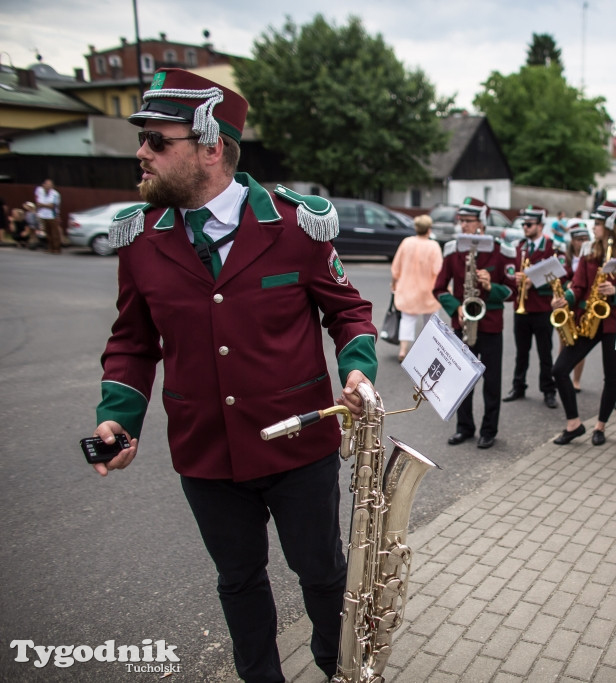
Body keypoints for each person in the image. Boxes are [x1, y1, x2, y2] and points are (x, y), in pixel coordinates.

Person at [89, 68, 379, 683]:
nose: (141, 152)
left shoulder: (296, 226)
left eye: (157, 141)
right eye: (142, 139)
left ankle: (337, 665)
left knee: (322, 571)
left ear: (211, 147)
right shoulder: (140, 240)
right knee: (238, 580)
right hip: (206, 453)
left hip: (299, 443)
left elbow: (347, 310)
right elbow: (133, 342)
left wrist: (357, 373)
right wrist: (118, 415)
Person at [550, 202, 616, 447]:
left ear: (611, 227)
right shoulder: (589, 250)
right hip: (588, 319)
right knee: (559, 370)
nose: (594, 227)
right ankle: (574, 424)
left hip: (615, 322)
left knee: (611, 377)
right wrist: (564, 300)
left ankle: (600, 426)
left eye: (598, 223)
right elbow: (578, 287)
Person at [433, 197, 516, 449]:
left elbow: (512, 291)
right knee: (461, 381)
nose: (463, 225)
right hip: (462, 325)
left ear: (481, 222)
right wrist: (455, 306)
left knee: (491, 383)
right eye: (462, 221)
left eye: (468, 221)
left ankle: (489, 430)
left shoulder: (501, 250)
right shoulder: (453, 249)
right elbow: (438, 289)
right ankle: (465, 428)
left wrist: (491, 286)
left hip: (490, 325)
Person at [504, 205, 561, 409]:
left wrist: (534, 281)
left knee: (545, 352)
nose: (525, 227)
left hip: (542, 308)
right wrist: (516, 279)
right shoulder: (519, 247)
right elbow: (509, 272)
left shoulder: (552, 248)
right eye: (524, 224)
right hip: (522, 309)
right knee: (521, 352)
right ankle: (518, 386)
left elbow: (560, 275)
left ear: (540, 225)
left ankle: (548, 389)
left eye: (529, 224)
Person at [391, 213, 443, 361]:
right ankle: (431, 351)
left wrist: (395, 281)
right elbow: (437, 270)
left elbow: (397, 266)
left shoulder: (406, 242)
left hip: (407, 288)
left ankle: (403, 350)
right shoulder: (434, 246)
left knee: (407, 319)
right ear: (429, 229)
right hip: (428, 290)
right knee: (431, 322)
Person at [564, 219, 590, 392]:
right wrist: (565, 284)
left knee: (579, 343)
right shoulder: (565, 257)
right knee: (565, 340)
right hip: (567, 304)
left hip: (581, 305)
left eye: (585, 238)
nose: (582, 242)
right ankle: (563, 375)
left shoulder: (590, 256)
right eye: (579, 239)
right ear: (572, 241)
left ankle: (576, 380)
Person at [34, 179, 61, 254]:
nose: (48, 186)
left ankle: (57, 248)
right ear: (43, 185)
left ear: (52, 186)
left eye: (50, 185)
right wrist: (41, 206)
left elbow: (52, 206)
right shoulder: (40, 191)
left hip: (52, 216)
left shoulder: (55, 194)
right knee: (47, 233)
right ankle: (50, 247)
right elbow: (37, 202)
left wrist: (42, 205)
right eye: (46, 184)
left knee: (54, 233)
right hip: (43, 215)